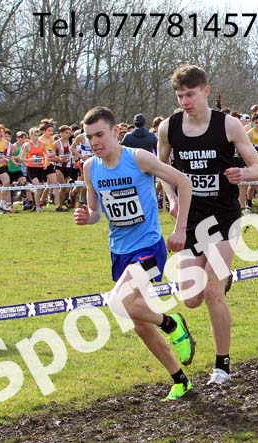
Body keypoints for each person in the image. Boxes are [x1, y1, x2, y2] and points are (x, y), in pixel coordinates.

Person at [73, 106, 195, 401]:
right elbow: (95, 212)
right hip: (119, 251)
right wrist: (85, 217)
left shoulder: (137, 158)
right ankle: (180, 380)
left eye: (100, 134)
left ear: (116, 132)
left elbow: (184, 181)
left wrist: (180, 230)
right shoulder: (91, 167)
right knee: (140, 324)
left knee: (118, 302)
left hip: (148, 247)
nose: (95, 142)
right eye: (90, 137)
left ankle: (172, 323)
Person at [158, 64, 258, 386]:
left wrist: (243, 174)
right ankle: (214, 285)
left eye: (190, 94)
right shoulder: (169, 127)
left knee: (212, 290)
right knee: (191, 297)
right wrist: (173, 197)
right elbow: (160, 169)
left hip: (223, 216)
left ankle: (222, 365)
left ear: (205, 91)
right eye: (179, 96)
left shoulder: (228, 125)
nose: (185, 101)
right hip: (190, 218)